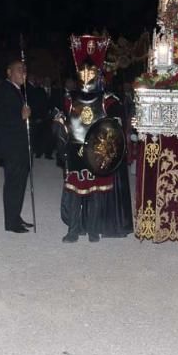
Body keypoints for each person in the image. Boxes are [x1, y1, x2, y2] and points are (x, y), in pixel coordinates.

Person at [56, 35, 133, 242]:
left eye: (91, 70)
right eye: (83, 70)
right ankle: (73, 229)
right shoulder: (69, 99)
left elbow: (114, 126)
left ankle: (92, 228)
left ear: (98, 73)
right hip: (75, 151)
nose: (87, 73)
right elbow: (63, 121)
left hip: (97, 154)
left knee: (96, 193)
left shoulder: (107, 100)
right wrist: (60, 129)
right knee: (74, 193)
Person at [0, 60, 32, 233]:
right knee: (13, 183)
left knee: (21, 182)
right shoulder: (3, 90)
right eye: (19, 70)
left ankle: (16, 215)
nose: (23, 73)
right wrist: (21, 117)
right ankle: (11, 222)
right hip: (11, 146)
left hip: (20, 145)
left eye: (25, 70)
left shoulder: (17, 90)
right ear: (9, 72)